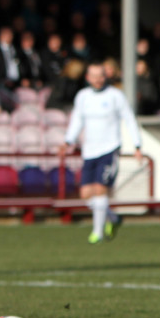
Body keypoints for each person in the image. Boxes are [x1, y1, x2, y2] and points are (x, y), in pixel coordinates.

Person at [59, 62, 143, 244]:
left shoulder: (115, 96)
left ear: (106, 76)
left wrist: (137, 145)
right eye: (94, 76)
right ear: (88, 78)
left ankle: (97, 233)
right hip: (89, 151)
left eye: (101, 75)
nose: (98, 79)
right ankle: (113, 218)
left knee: (100, 191)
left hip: (109, 149)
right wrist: (68, 141)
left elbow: (129, 119)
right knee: (86, 194)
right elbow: (77, 120)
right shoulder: (83, 96)